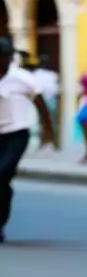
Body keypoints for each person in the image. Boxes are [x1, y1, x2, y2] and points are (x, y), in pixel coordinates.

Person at [0, 36, 55, 244]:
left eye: (5, 57)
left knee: (2, 174)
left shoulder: (21, 78)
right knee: (2, 183)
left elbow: (40, 102)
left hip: (16, 133)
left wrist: (49, 131)